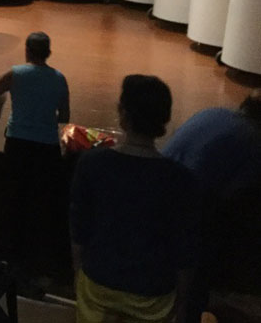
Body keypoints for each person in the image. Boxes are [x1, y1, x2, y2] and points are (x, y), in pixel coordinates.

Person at [71, 75, 200, 323]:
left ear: (123, 115)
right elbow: (185, 251)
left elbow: (79, 229)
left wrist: (79, 274)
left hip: (98, 284)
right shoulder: (182, 180)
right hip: (152, 294)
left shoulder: (92, 164)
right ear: (164, 120)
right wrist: (183, 304)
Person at [162, 89, 261, 321]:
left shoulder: (212, 114)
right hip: (183, 225)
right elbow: (236, 203)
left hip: (158, 202)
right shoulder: (254, 142)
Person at [0, 31, 70, 277]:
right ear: (49, 53)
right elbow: (64, 116)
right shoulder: (59, 78)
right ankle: (38, 256)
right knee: (40, 200)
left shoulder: (15, 74)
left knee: (13, 196)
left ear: (27, 51)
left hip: (18, 144)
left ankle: (9, 254)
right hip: (47, 147)